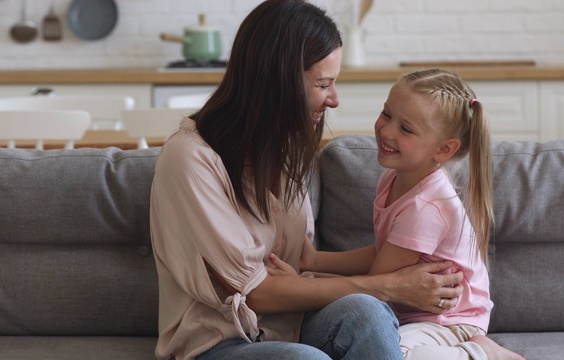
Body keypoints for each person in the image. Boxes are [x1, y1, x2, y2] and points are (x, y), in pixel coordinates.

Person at [149, 1, 464, 359]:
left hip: (294, 326)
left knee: (368, 313)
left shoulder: (281, 149)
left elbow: (300, 262)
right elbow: (257, 293)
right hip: (219, 343)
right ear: (279, 80)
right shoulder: (190, 159)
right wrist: (391, 286)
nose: (334, 100)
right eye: (323, 84)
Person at [299, 69, 524, 360]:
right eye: (386, 114)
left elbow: (375, 283)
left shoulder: (426, 206)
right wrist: (314, 261)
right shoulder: (392, 180)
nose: (387, 130)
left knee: (395, 354)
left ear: (444, 149)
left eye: (406, 129)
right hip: (414, 313)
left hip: (451, 319)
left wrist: (306, 282)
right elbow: (384, 256)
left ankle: (480, 354)